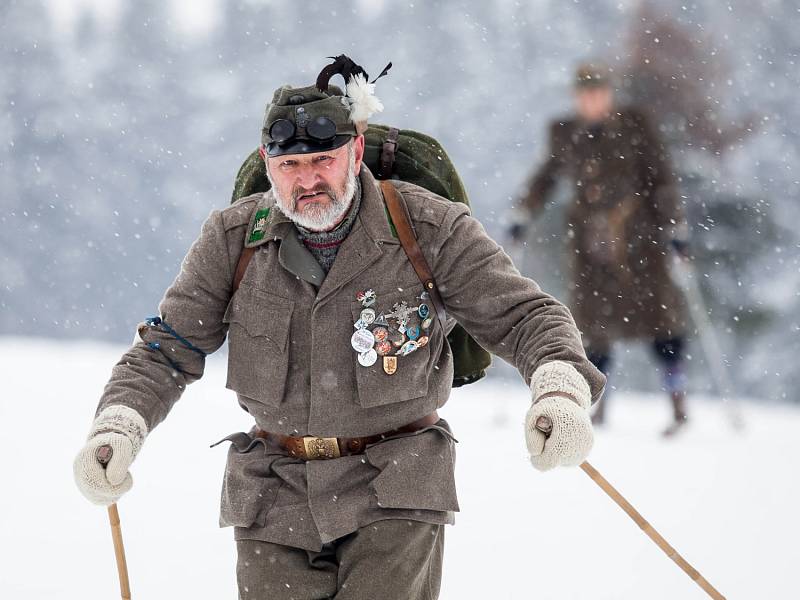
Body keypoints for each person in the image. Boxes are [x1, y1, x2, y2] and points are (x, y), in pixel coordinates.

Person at [73, 56, 605, 599]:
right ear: (267, 162)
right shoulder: (233, 238)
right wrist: (119, 424)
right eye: (289, 167)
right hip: (271, 493)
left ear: (354, 150)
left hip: (396, 486)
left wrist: (559, 388)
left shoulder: (428, 225)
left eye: (323, 160)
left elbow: (526, 317)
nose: (308, 181)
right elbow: (167, 351)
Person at [512, 62, 690, 436]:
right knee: (593, 329)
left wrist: (674, 225)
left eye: (598, 92)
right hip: (590, 245)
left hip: (639, 241)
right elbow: (546, 176)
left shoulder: (635, 126)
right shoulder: (565, 133)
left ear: (608, 93)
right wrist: (524, 212)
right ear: (577, 97)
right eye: (585, 93)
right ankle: (597, 408)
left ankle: (678, 404)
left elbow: (661, 177)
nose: (592, 99)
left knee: (663, 324)